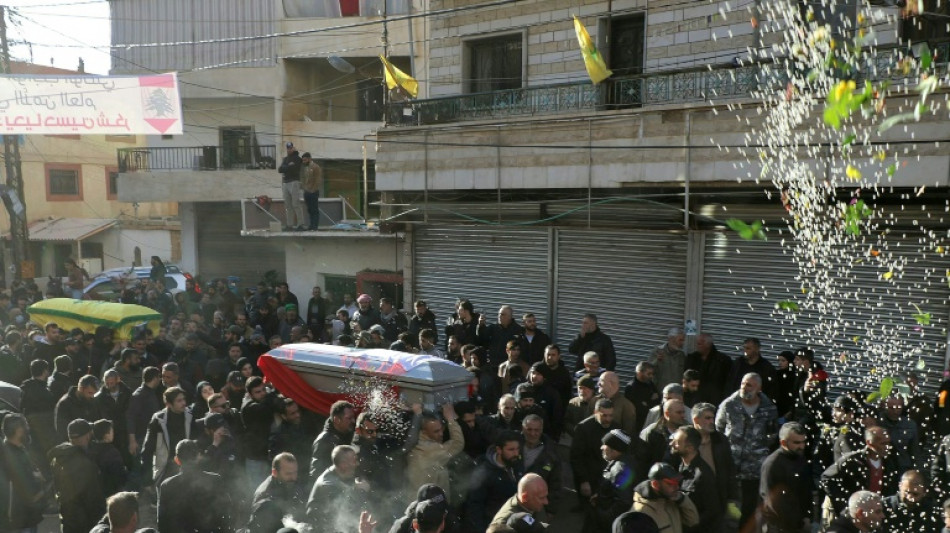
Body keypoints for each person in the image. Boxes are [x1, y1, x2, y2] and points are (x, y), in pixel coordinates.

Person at [715, 372, 778, 527]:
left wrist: (758, 448)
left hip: (754, 467)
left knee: (750, 506)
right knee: (730, 503)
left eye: (749, 385)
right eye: (743, 383)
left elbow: (773, 433)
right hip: (731, 464)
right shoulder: (729, 404)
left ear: (759, 388)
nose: (744, 387)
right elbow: (718, 429)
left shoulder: (768, 408)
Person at [157, 439, 232, 532]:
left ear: (177, 460)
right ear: (198, 456)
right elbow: (226, 513)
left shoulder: (167, 485)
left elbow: (162, 522)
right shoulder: (215, 480)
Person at [821, 426, 899, 516]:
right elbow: (826, 478)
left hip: (876, 513)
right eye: (883, 444)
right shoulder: (852, 460)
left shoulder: (890, 462)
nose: (887, 447)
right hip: (854, 513)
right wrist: (843, 505)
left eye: (888, 443)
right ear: (869, 443)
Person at [48, 419, 106, 533]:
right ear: (88, 436)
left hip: (68, 518)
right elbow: (92, 498)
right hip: (85, 523)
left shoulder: (59, 458)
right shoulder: (85, 464)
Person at [465, 431, 524, 533]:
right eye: (511, 449)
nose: (516, 453)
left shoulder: (516, 464)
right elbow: (474, 506)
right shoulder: (483, 473)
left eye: (517, 449)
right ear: (499, 450)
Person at [760, 422, 812, 533]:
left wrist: (807, 516)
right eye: (797, 442)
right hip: (778, 525)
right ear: (783, 442)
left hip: (799, 523)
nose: (801, 446)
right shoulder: (772, 464)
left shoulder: (800, 458)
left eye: (803, 442)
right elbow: (771, 500)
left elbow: (806, 490)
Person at [140, 386, 198, 486]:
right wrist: (148, 482)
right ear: (168, 404)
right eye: (179, 401)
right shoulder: (158, 420)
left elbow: (196, 440)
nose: (184, 403)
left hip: (188, 467)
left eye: (184, 399)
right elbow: (147, 451)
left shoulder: (190, 416)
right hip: (166, 469)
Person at [407, 404, 464, 502]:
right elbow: (458, 443)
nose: (441, 434)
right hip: (433, 504)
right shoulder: (430, 450)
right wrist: (451, 419)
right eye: (436, 431)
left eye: (442, 429)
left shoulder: (417, 444)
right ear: (424, 432)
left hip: (418, 501)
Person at [0, 414, 46, 532]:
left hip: (27, 513)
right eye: (25, 425)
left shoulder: (18, 449)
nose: (28, 428)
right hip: (20, 516)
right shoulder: (9, 455)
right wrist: (40, 492)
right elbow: (21, 483)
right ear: (17, 430)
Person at [587, 429, 638, 533]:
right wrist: (600, 496)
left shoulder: (620, 470)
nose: (602, 447)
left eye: (605, 445)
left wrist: (602, 517)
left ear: (614, 449)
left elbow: (623, 502)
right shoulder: (620, 462)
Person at [307, 445, 367, 530]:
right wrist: (357, 489)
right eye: (354, 461)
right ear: (343, 464)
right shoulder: (327, 484)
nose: (357, 464)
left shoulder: (341, 474)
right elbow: (342, 506)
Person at [571, 398, 618, 508]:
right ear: (596, 413)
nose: (608, 419)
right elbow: (576, 457)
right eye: (604, 415)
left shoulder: (616, 427)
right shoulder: (583, 428)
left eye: (610, 415)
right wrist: (583, 480)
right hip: (589, 474)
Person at [631, 463, 699, 533]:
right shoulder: (640, 512)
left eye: (676, 483)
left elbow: (693, 521)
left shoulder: (673, 498)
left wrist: (682, 500)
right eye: (670, 484)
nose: (677, 487)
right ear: (655, 484)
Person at [248, 453, 306, 533]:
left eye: (295, 472)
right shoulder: (265, 496)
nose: (293, 477)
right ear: (275, 473)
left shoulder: (291, 483)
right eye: (288, 474)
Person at [519, 415, 561, 513]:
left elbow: (555, 482)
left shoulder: (551, 452)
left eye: (536, 430)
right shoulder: (513, 444)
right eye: (529, 429)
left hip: (535, 505)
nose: (533, 433)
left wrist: (550, 510)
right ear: (522, 429)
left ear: (542, 429)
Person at [310, 400, 356, 478]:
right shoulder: (323, 441)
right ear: (337, 420)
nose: (353, 421)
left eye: (353, 418)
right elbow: (317, 473)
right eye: (349, 418)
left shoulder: (350, 435)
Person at [684, 333, 732, 405]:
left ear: (708, 344)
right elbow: (686, 379)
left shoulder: (723, 361)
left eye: (701, 343)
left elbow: (728, 383)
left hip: (714, 401)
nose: (698, 345)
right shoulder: (692, 358)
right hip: (694, 400)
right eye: (697, 343)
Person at [54, 373, 103, 442]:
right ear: (81, 389)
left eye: (94, 394)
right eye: (90, 393)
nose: (92, 396)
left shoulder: (92, 401)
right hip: (75, 445)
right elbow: (62, 430)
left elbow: (98, 420)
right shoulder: (65, 404)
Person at [478, 305, 525, 370]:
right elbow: (481, 339)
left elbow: (521, 349)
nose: (499, 316)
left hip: (510, 367)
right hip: (493, 365)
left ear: (510, 316)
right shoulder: (493, 328)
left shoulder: (518, 330)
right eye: (499, 314)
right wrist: (481, 326)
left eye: (503, 314)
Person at [623, 361, 660, 434]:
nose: (651, 376)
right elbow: (640, 408)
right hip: (637, 425)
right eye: (648, 374)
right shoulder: (631, 388)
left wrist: (648, 402)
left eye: (652, 374)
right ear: (639, 373)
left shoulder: (649, 384)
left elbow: (658, 399)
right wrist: (651, 401)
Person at [598, 371, 637, 437]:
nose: (598, 383)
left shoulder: (627, 406)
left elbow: (628, 432)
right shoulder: (594, 401)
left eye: (601, 381)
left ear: (610, 384)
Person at [278, 141, 305, 231]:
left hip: (294, 181)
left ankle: (300, 224)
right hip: (286, 182)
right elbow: (280, 169)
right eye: (288, 148)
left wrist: (286, 167)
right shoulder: (285, 159)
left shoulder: (297, 158)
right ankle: (289, 225)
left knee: (296, 203)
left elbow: (295, 169)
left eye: (290, 148)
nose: (289, 150)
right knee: (288, 205)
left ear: (293, 148)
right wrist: (288, 166)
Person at [300, 151, 323, 230]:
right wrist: (304, 188)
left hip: (313, 192)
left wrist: (313, 190)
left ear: (309, 159)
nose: (304, 162)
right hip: (306, 191)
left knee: (314, 210)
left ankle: (314, 226)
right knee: (309, 210)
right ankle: (311, 225)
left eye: (305, 160)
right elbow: (303, 179)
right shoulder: (305, 168)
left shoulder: (315, 167)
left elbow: (318, 180)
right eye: (303, 160)